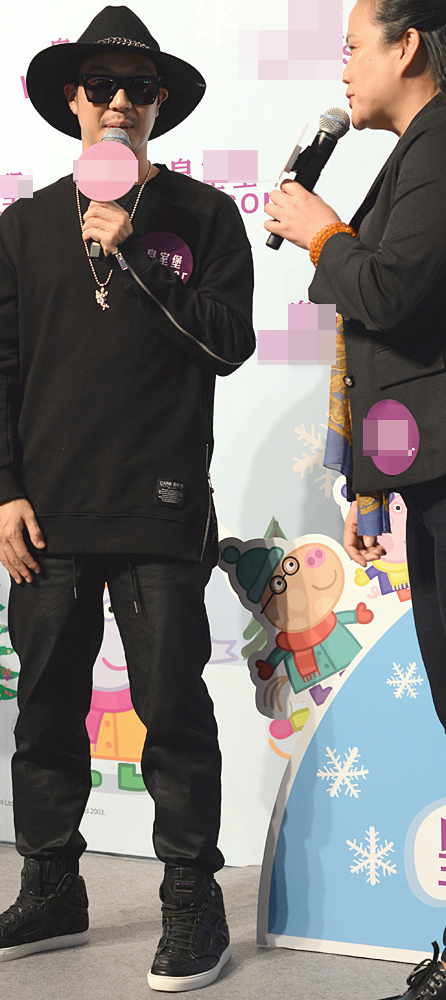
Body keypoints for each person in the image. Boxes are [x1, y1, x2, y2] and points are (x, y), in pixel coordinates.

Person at [0, 5, 255, 993]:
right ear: (72, 101)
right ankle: (51, 890)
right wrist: (2, 491)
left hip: (161, 508)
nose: (119, 101)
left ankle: (190, 899)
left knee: (173, 710)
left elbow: (227, 344)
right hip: (47, 515)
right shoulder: (22, 226)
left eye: (140, 88)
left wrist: (135, 252)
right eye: (101, 86)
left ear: (160, 104)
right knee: (45, 710)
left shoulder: (202, 217)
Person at [264, 1, 446, 997]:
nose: (341, 69)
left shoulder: (440, 142)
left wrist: (322, 230)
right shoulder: (414, 151)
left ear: (406, 44)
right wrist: (372, 475)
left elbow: (391, 292)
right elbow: (393, 345)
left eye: (351, 46)